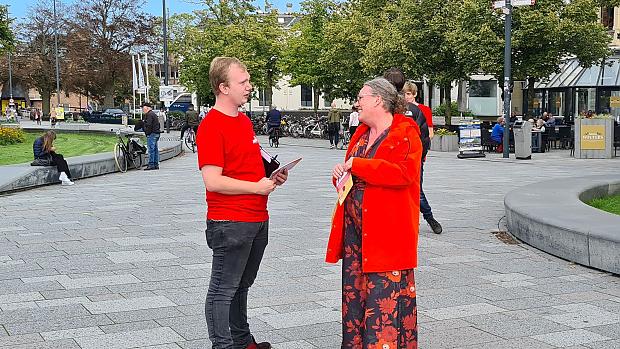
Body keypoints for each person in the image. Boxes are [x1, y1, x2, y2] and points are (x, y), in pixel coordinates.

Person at [196, 56, 288, 349]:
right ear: (223, 87)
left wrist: (272, 175)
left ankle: (242, 340)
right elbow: (213, 181)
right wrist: (256, 187)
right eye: (243, 82)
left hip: (256, 217)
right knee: (223, 290)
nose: (250, 86)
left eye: (248, 80)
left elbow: (248, 163)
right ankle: (222, 345)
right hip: (230, 221)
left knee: (241, 285)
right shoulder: (211, 126)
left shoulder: (244, 121)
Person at [328, 77, 422, 349]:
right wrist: (340, 174)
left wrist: (357, 165)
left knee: (384, 302)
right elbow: (352, 174)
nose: (357, 103)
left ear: (378, 100)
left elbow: (404, 174)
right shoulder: (361, 133)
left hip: (387, 235)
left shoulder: (405, 131)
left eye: (361, 97)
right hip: (357, 237)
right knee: (355, 300)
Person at [400, 78, 443, 234]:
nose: (406, 97)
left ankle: (428, 217)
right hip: (400, 156)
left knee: (416, 189)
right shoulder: (398, 109)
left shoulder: (423, 110)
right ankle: (414, 219)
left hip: (416, 155)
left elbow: (429, 133)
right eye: (404, 94)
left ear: (415, 94)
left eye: (409, 94)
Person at [142, 102, 161, 170]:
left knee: (151, 149)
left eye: (143, 108)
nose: (142, 109)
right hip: (156, 133)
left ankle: (151, 164)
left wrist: (147, 132)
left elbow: (149, 125)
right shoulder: (153, 114)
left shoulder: (149, 114)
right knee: (155, 149)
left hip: (152, 134)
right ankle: (156, 164)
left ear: (146, 108)